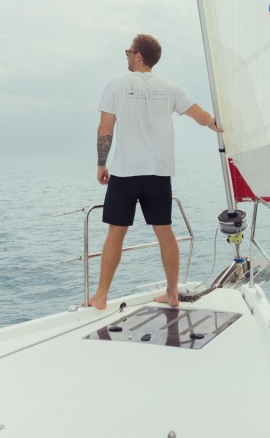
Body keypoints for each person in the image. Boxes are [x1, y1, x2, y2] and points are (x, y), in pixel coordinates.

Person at [89, 33, 221, 310]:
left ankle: (100, 297)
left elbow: (105, 130)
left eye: (128, 51)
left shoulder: (115, 86)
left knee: (116, 232)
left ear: (138, 56)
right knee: (165, 231)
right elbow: (200, 116)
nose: (126, 55)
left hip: (126, 173)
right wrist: (215, 123)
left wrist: (102, 163)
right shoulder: (170, 87)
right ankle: (172, 293)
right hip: (159, 173)